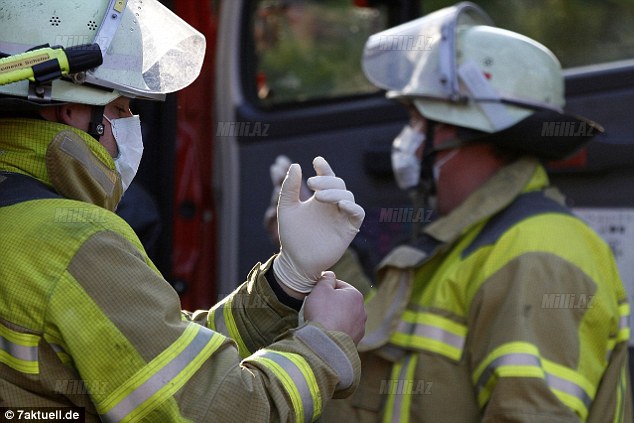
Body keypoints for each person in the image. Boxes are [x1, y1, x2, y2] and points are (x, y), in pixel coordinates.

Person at [0, 1, 367, 422]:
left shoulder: (19, 221)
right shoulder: (73, 242)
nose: (130, 125)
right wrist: (326, 343)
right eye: (121, 108)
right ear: (75, 111)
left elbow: (166, 359)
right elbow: (227, 410)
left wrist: (287, 280)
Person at [319, 2, 630, 422]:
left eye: (416, 119)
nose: (407, 138)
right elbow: (380, 358)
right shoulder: (465, 245)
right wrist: (321, 261)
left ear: (465, 126)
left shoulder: (538, 255)